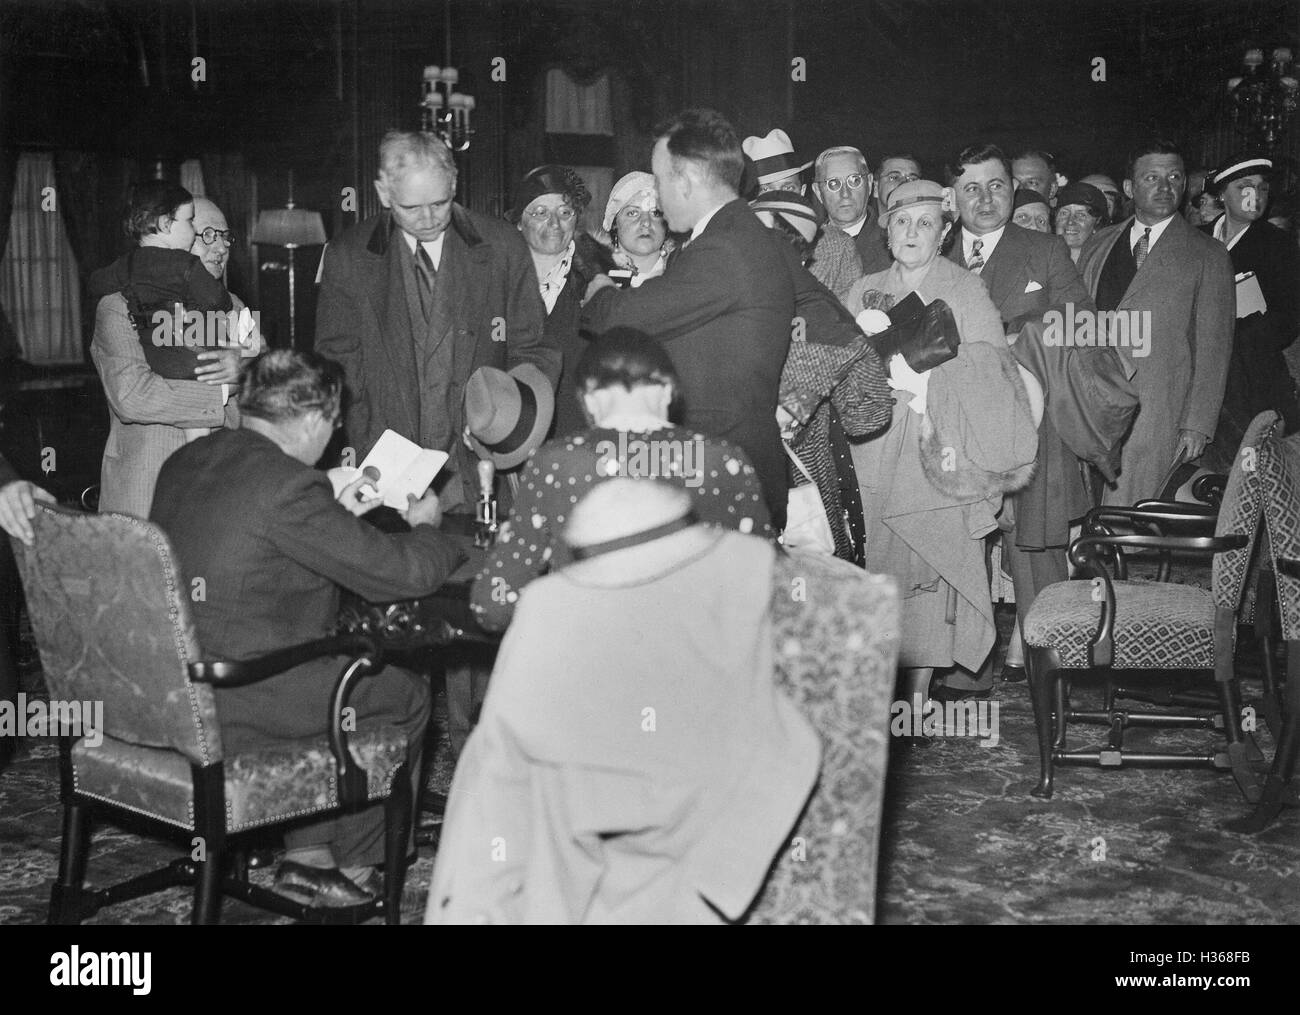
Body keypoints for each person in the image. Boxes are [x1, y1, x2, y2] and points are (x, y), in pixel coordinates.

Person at [150, 350, 464, 906]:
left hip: (169, 686)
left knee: (326, 669)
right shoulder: (290, 486)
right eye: (335, 421)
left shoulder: (187, 461)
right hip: (234, 695)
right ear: (317, 420)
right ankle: (360, 866)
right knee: (402, 693)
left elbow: (260, 552)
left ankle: (310, 856)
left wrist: (335, 519)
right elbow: (401, 575)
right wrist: (428, 529)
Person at [429, 479, 819, 924]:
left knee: (499, 772)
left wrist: (702, 884)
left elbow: (788, 750)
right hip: (594, 854)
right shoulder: (560, 611)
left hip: (653, 863)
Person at [840, 180, 1038, 706]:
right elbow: (830, 370)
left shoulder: (965, 291)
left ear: (944, 231)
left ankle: (916, 697)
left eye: (925, 222)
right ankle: (876, 690)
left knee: (927, 574)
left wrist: (927, 382)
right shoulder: (862, 290)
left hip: (935, 450)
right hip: (869, 452)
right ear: (886, 230)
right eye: (901, 221)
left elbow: (998, 377)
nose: (911, 231)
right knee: (873, 571)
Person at [315, 129, 559, 513]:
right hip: (382, 471)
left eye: (440, 203)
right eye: (411, 208)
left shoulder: (502, 247)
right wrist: (369, 454)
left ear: (455, 183)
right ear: (383, 193)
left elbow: (531, 349)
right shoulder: (348, 257)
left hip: (479, 468)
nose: (428, 219)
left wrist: (503, 420)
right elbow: (338, 367)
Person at [470, 332, 771, 631]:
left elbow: (493, 604)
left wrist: (518, 548)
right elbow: (769, 588)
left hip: (590, 661)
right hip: (700, 663)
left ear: (590, 400)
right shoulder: (723, 460)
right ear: (667, 392)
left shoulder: (558, 463)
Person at [581, 108, 795, 525]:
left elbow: (621, 318)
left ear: (686, 181)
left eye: (659, 182)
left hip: (722, 484)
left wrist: (602, 289)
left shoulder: (724, 247)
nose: (657, 197)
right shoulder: (734, 236)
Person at [945, 142, 1093, 694]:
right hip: (955, 427)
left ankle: (1052, 671)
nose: (985, 199)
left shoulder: (1045, 248)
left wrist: (1019, 340)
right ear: (952, 197)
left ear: (1014, 189)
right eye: (971, 188)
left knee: (1036, 547)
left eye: (997, 185)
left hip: (1034, 425)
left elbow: (1083, 324)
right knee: (959, 545)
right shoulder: (931, 252)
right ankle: (964, 671)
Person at [1077, 140, 1235, 505]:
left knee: (1135, 511)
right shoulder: (1099, 243)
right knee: (1087, 505)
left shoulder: (1207, 254)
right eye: (1152, 177)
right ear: (1130, 188)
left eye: (1174, 177)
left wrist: (1198, 423)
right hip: (1094, 401)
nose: (1164, 187)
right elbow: (1078, 319)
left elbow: (1215, 347)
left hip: (1158, 407)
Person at [748, 188, 893, 563]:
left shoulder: (817, 312)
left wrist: (796, 406)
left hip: (793, 483)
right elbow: (866, 414)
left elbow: (868, 413)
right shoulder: (815, 306)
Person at [90, 186, 244, 518]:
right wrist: (220, 390)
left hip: (225, 500)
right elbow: (132, 396)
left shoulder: (234, 309)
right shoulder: (119, 307)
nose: (220, 247)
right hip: (148, 499)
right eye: (206, 234)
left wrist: (246, 371)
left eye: (225, 236)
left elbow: (270, 394)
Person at [508, 164, 612, 439]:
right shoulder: (498, 282)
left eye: (564, 212)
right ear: (519, 221)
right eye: (540, 212)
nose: (554, 223)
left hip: (582, 442)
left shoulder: (598, 278)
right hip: (513, 438)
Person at [1200, 154, 1300, 437]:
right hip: (1199, 376)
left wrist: (1237, 327)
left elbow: (1289, 319)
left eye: (1262, 188)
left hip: (1252, 378)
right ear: (1221, 194)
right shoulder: (1196, 239)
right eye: (1244, 186)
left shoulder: (1278, 245)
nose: (1254, 195)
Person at [744, 128, 863, 300]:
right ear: (753, 199)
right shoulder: (733, 246)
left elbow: (849, 316)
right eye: (767, 189)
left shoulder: (838, 246)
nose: (779, 198)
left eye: (788, 188)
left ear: (802, 190)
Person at [813, 145, 892, 276]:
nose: (845, 193)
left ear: (870, 183)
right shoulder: (804, 247)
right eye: (833, 183)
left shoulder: (893, 245)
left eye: (855, 180)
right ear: (818, 192)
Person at [602, 171, 673, 286]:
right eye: (633, 213)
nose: (646, 222)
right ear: (614, 224)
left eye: (655, 213)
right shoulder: (593, 279)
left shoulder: (686, 276)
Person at [1053, 181, 1108, 263]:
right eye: (1064, 213)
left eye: (1081, 215)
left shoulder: (1104, 265)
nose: (1070, 221)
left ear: (1097, 223)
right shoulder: (1041, 262)